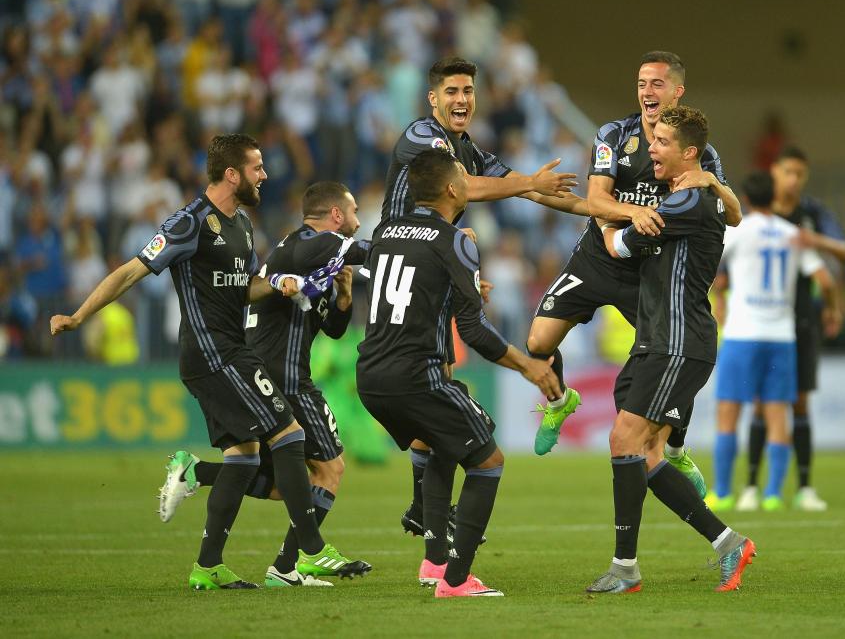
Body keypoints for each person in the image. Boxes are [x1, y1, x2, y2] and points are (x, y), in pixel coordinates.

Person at [51, 134, 335, 590]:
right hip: (212, 352)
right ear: (232, 174)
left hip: (229, 348)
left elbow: (243, 289)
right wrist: (80, 315)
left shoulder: (242, 224)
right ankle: (312, 551)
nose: (264, 175)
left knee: (243, 457)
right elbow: (131, 270)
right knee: (289, 432)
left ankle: (208, 566)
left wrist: (282, 283)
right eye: (257, 167)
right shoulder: (190, 223)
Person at [381, 56, 585, 543]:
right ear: (433, 99)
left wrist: (598, 210)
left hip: (433, 266)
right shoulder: (421, 138)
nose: (461, 100)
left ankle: (421, 510)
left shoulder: (466, 146)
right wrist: (531, 182)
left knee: (441, 381)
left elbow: (525, 188)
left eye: (468, 91)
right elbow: (469, 187)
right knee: (438, 390)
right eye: (451, 91)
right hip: (403, 263)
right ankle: (425, 513)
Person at [357, 149, 561, 597]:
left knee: (440, 443)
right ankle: (456, 579)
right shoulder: (455, 240)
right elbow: (474, 329)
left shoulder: (386, 229)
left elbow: (411, 289)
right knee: (488, 461)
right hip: (416, 374)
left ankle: (433, 562)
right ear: (452, 188)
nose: (470, 181)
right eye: (464, 176)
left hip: (371, 374)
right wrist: (527, 365)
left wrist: (462, 284)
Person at [529, 51, 742, 479]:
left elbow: (734, 215)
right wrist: (633, 214)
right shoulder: (614, 134)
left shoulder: (700, 153)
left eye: (657, 84)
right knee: (537, 343)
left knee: (672, 353)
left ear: (677, 92)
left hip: (645, 268)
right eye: (642, 83)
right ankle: (559, 401)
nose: (647, 91)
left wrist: (714, 182)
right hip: (597, 257)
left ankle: (676, 447)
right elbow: (597, 201)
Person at [157, 181, 373, 586]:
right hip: (286, 379)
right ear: (336, 216)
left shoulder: (314, 256)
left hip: (272, 372)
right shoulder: (309, 243)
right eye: (355, 211)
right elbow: (359, 251)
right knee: (330, 469)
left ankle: (198, 475)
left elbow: (334, 328)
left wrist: (344, 294)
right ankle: (294, 563)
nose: (359, 221)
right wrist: (407, 248)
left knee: (277, 485)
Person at [593, 105, 755, 594]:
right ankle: (728, 543)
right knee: (644, 453)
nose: (651, 149)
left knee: (625, 440)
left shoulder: (687, 204)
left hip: (678, 341)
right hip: (659, 340)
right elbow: (732, 211)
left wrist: (600, 220)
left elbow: (618, 247)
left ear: (690, 153)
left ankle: (625, 569)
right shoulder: (687, 197)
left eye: (661, 142)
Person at [707, 172, 840, 513]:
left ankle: (722, 492)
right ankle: (772, 495)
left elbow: (713, 265)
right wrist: (830, 308)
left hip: (743, 334)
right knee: (778, 413)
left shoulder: (739, 230)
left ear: (748, 199)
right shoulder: (793, 234)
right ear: (774, 197)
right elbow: (825, 279)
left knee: (728, 412)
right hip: (781, 336)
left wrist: (719, 297)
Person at [747, 147, 845, 511]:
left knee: (800, 400)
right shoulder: (758, 214)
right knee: (761, 404)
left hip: (802, 317)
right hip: (762, 319)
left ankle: (805, 487)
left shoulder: (813, 214)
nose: (793, 179)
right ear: (774, 172)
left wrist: (815, 241)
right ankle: (750, 487)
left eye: (799, 174)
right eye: (788, 171)